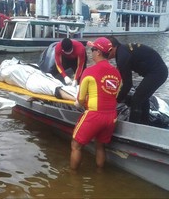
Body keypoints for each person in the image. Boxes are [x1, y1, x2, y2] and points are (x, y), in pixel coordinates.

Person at [70, 37, 122, 170]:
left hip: (95, 115)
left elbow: (80, 98)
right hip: (111, 116)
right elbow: (116, 95)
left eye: (92, 49)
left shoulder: (89, 72)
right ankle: (100, 174)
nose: (91, 52)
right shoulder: (117, 73)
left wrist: (80, 103)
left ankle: (72, 178)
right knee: (100, 146)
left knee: (76, 146)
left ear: (98, 52)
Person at [106, 36, 168, 125]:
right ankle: (145, 122)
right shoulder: (121, 50)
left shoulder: (122, 56)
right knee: (143, 96)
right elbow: (119, 76)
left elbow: (128, 84)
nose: (104, 53)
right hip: (155, 72)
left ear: (111, 48)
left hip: (157, 73)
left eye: (104, 50)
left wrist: (116, 101)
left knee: (136, 99)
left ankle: (133, 128)